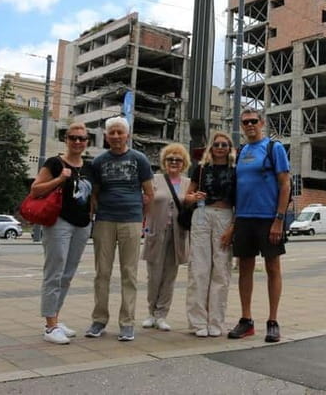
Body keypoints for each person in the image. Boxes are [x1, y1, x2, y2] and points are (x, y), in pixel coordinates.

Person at [85, 117, 154, 342]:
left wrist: (141, 219)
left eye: (120, 133)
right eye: (112, 133)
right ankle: (99, 320)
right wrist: (94, 213)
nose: (115, 136)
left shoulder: (139, 159)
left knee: (129, 274)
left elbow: (149, 193)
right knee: (102, 273)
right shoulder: (99, 162)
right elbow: (94, 193)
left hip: (131, 221)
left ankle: (127, 323)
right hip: (105, 220)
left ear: (127, 136)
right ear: (106, 136)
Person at [227, 109, 290, 343]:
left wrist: (279, 219)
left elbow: (285, 184)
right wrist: (234, 223)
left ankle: (273, 322)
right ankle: (246, 320)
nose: (250, 125)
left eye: (254, 121)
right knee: (245, 268)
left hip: (269, 218)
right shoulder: (241, 152)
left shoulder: (275, 149)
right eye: (245, 122)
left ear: (262, 123)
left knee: (273, 268)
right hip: (244, 218)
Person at [30, 122, 93, 345]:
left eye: (82, 138)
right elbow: (35, 189)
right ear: (65, 139)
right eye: (73, 137)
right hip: (59, 223)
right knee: (54, 273)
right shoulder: (55, 163)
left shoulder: (89, 166)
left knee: (67, 275)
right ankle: (50, 326)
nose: (77, 142)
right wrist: (60, 179)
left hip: (82, 225)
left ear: (87, 142)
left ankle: (56, 318)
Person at [185, 132, 236, 337]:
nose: (221, 147)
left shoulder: (236, 171)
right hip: (202, 214)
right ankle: (197, 322)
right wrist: (193, 196)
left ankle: (216, 321)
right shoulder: (201, 169)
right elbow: (186, 197)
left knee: (221, 270)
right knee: (199, 268)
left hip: (225, 215)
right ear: (211, 147)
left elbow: (240, 200)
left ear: (230, 148)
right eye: (217, 144)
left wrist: (233, 227)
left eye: (225, 144)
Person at [140, 143, 191, 332]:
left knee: (170, 276)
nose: (174, 162)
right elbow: (145, 202)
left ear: (184, 162)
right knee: (154, 275)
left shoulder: (188, 183)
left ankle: (162, 314)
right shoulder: (154, 180)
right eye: (170, 159)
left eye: (178, 159)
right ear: (164, 161)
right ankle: (150, 313)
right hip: (156, 232)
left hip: (178, 234)